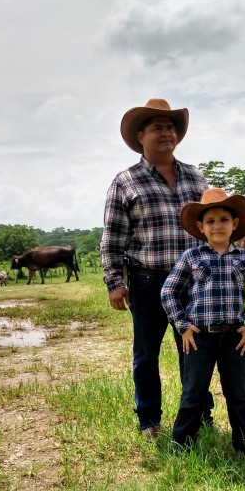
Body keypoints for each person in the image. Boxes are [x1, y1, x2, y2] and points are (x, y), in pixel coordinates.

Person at [101, 98, 215, 439]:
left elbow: (211, 227)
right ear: (140, 136)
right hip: (147, 281)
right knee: (146, 355)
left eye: (171, 127)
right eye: (157, 128)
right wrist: (114, 282)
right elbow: (113, 238)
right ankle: (148, 419)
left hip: (192, 283)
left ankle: (199, 414)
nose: (167, 133)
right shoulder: (126, 181)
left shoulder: (196, 177)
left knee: (195, 352)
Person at [160, 188, 245, 454]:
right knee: (193, 393)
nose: (217, 225)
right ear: (201, 227)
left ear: (235, 225)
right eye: (210, 221)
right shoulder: (192, 257)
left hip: (235, 338)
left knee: (238, 394)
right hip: (200, 336)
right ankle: (182, 447)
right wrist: (182, 325)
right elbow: (168, 291)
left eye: (224, 219)